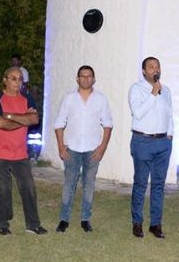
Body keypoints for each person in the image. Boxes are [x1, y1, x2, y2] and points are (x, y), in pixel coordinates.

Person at [0, 67, 47, 235]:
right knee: (2, 189)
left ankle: (33, 224)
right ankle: (2, 223)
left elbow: (34, 119)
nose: (17, 82)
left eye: (20, 79)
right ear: (5, 79)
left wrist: (10, 116)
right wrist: (23, 119)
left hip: (19, 152)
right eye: (13, 78)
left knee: (28, 187)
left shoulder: (27, 98)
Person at [54, 65, 113, 233]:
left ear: (93, 79)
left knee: (88, 185)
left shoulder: (101, 99)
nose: (86, 79)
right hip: (72, 149)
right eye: (82, 76)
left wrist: (102, 147)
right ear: (77, 79)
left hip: (92, 149)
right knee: (69, 184)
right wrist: (60, 146)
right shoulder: (69, 98)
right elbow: (59, 123)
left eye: (89, 76)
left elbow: (108, 124)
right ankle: (64, 219)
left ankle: (85, 219)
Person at [128, 56, 173, 239]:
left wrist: (170, 135)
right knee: (140, 184)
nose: (155, 69)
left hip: (163, 142)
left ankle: (156, 224)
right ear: (144, 71)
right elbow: (137, 113)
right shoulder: (136, 89)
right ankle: (137, 223)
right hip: (143, 141)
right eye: (151, 66)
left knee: (158, 185)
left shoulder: (167, 90)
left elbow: (170, 115)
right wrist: (153, 94)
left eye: (157, 66)